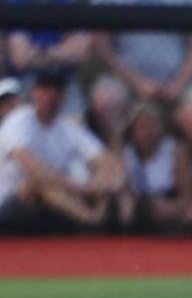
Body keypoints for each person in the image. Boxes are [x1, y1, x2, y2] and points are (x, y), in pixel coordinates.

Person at [0, 67, 124, 229]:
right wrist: (80, 188)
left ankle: (116, 223)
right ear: (35, 92)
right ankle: (92, 222)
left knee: (106, 183)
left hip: (54, 204)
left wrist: (101, 182)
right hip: (11, 203)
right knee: (39, 182)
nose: (51, 95)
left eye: (56, 89)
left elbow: (107, 161)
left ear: (65, 95)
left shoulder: (69, 127)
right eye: (45, 89)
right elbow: (31, 167)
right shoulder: (18, 120)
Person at [5, 0, 92, 115]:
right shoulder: (15, 2)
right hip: (26, 82)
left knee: (76, 122)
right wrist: (61, 53)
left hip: (62, 80)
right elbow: (22, 59)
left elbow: (81, 53)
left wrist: (41, 53)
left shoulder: (68, 1)